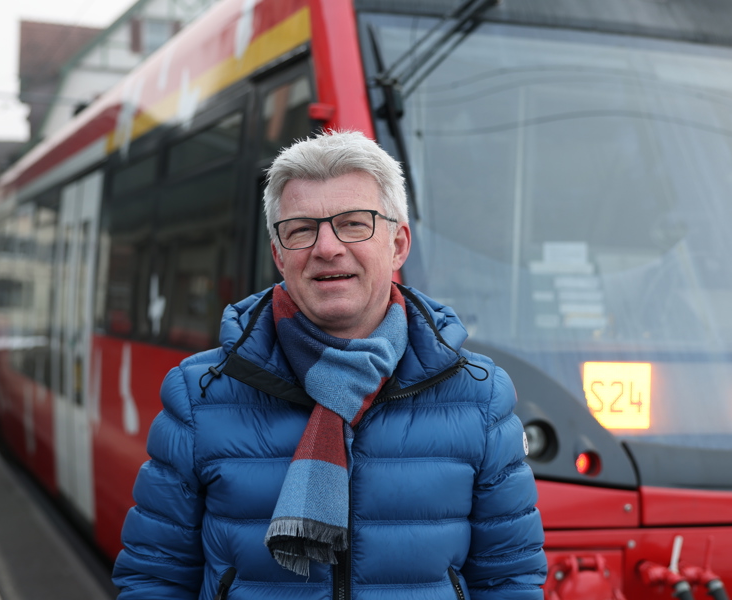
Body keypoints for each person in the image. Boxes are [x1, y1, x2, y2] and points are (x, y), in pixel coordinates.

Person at [112, 131, 547, 599]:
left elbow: (510, 581)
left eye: (354, 224)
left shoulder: (479, 397)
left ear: (398, 244)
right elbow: (153, 579)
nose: (326, 247)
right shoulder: (200, 395)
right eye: (301, 229)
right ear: (279, 255)